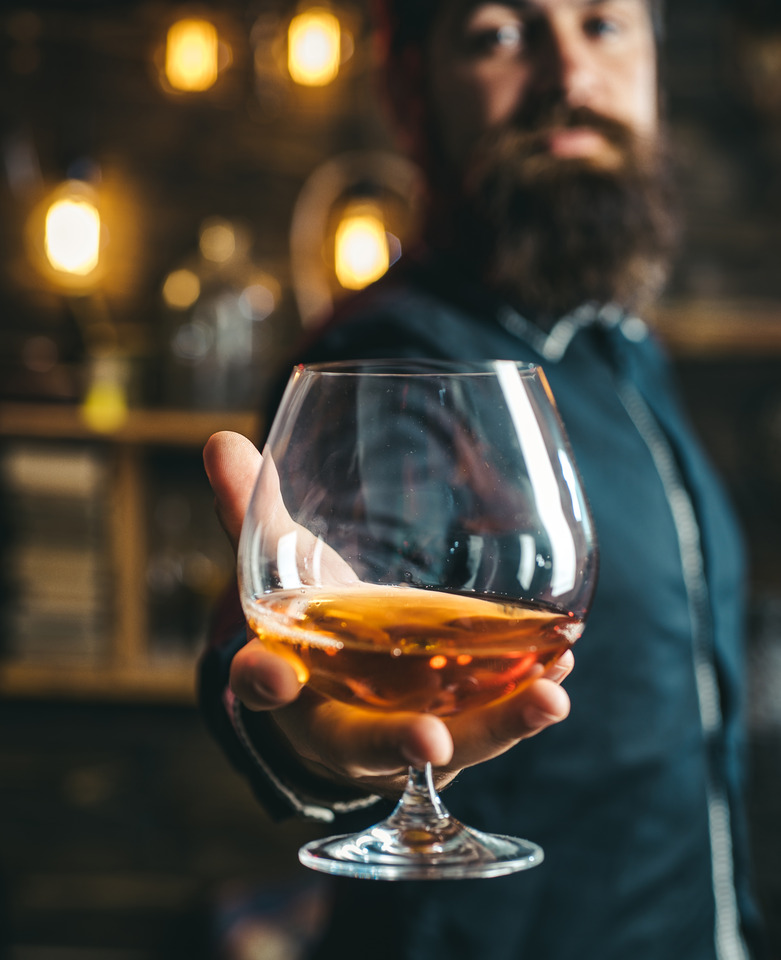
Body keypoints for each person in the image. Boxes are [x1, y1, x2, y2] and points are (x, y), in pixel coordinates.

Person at [199, 1, 766, 957]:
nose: (567, 75)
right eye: (501, 33)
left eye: (603, 25)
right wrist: (315, 743)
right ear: (408, 88)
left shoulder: (618, 347)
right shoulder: (394, 357)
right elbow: (305, 619)